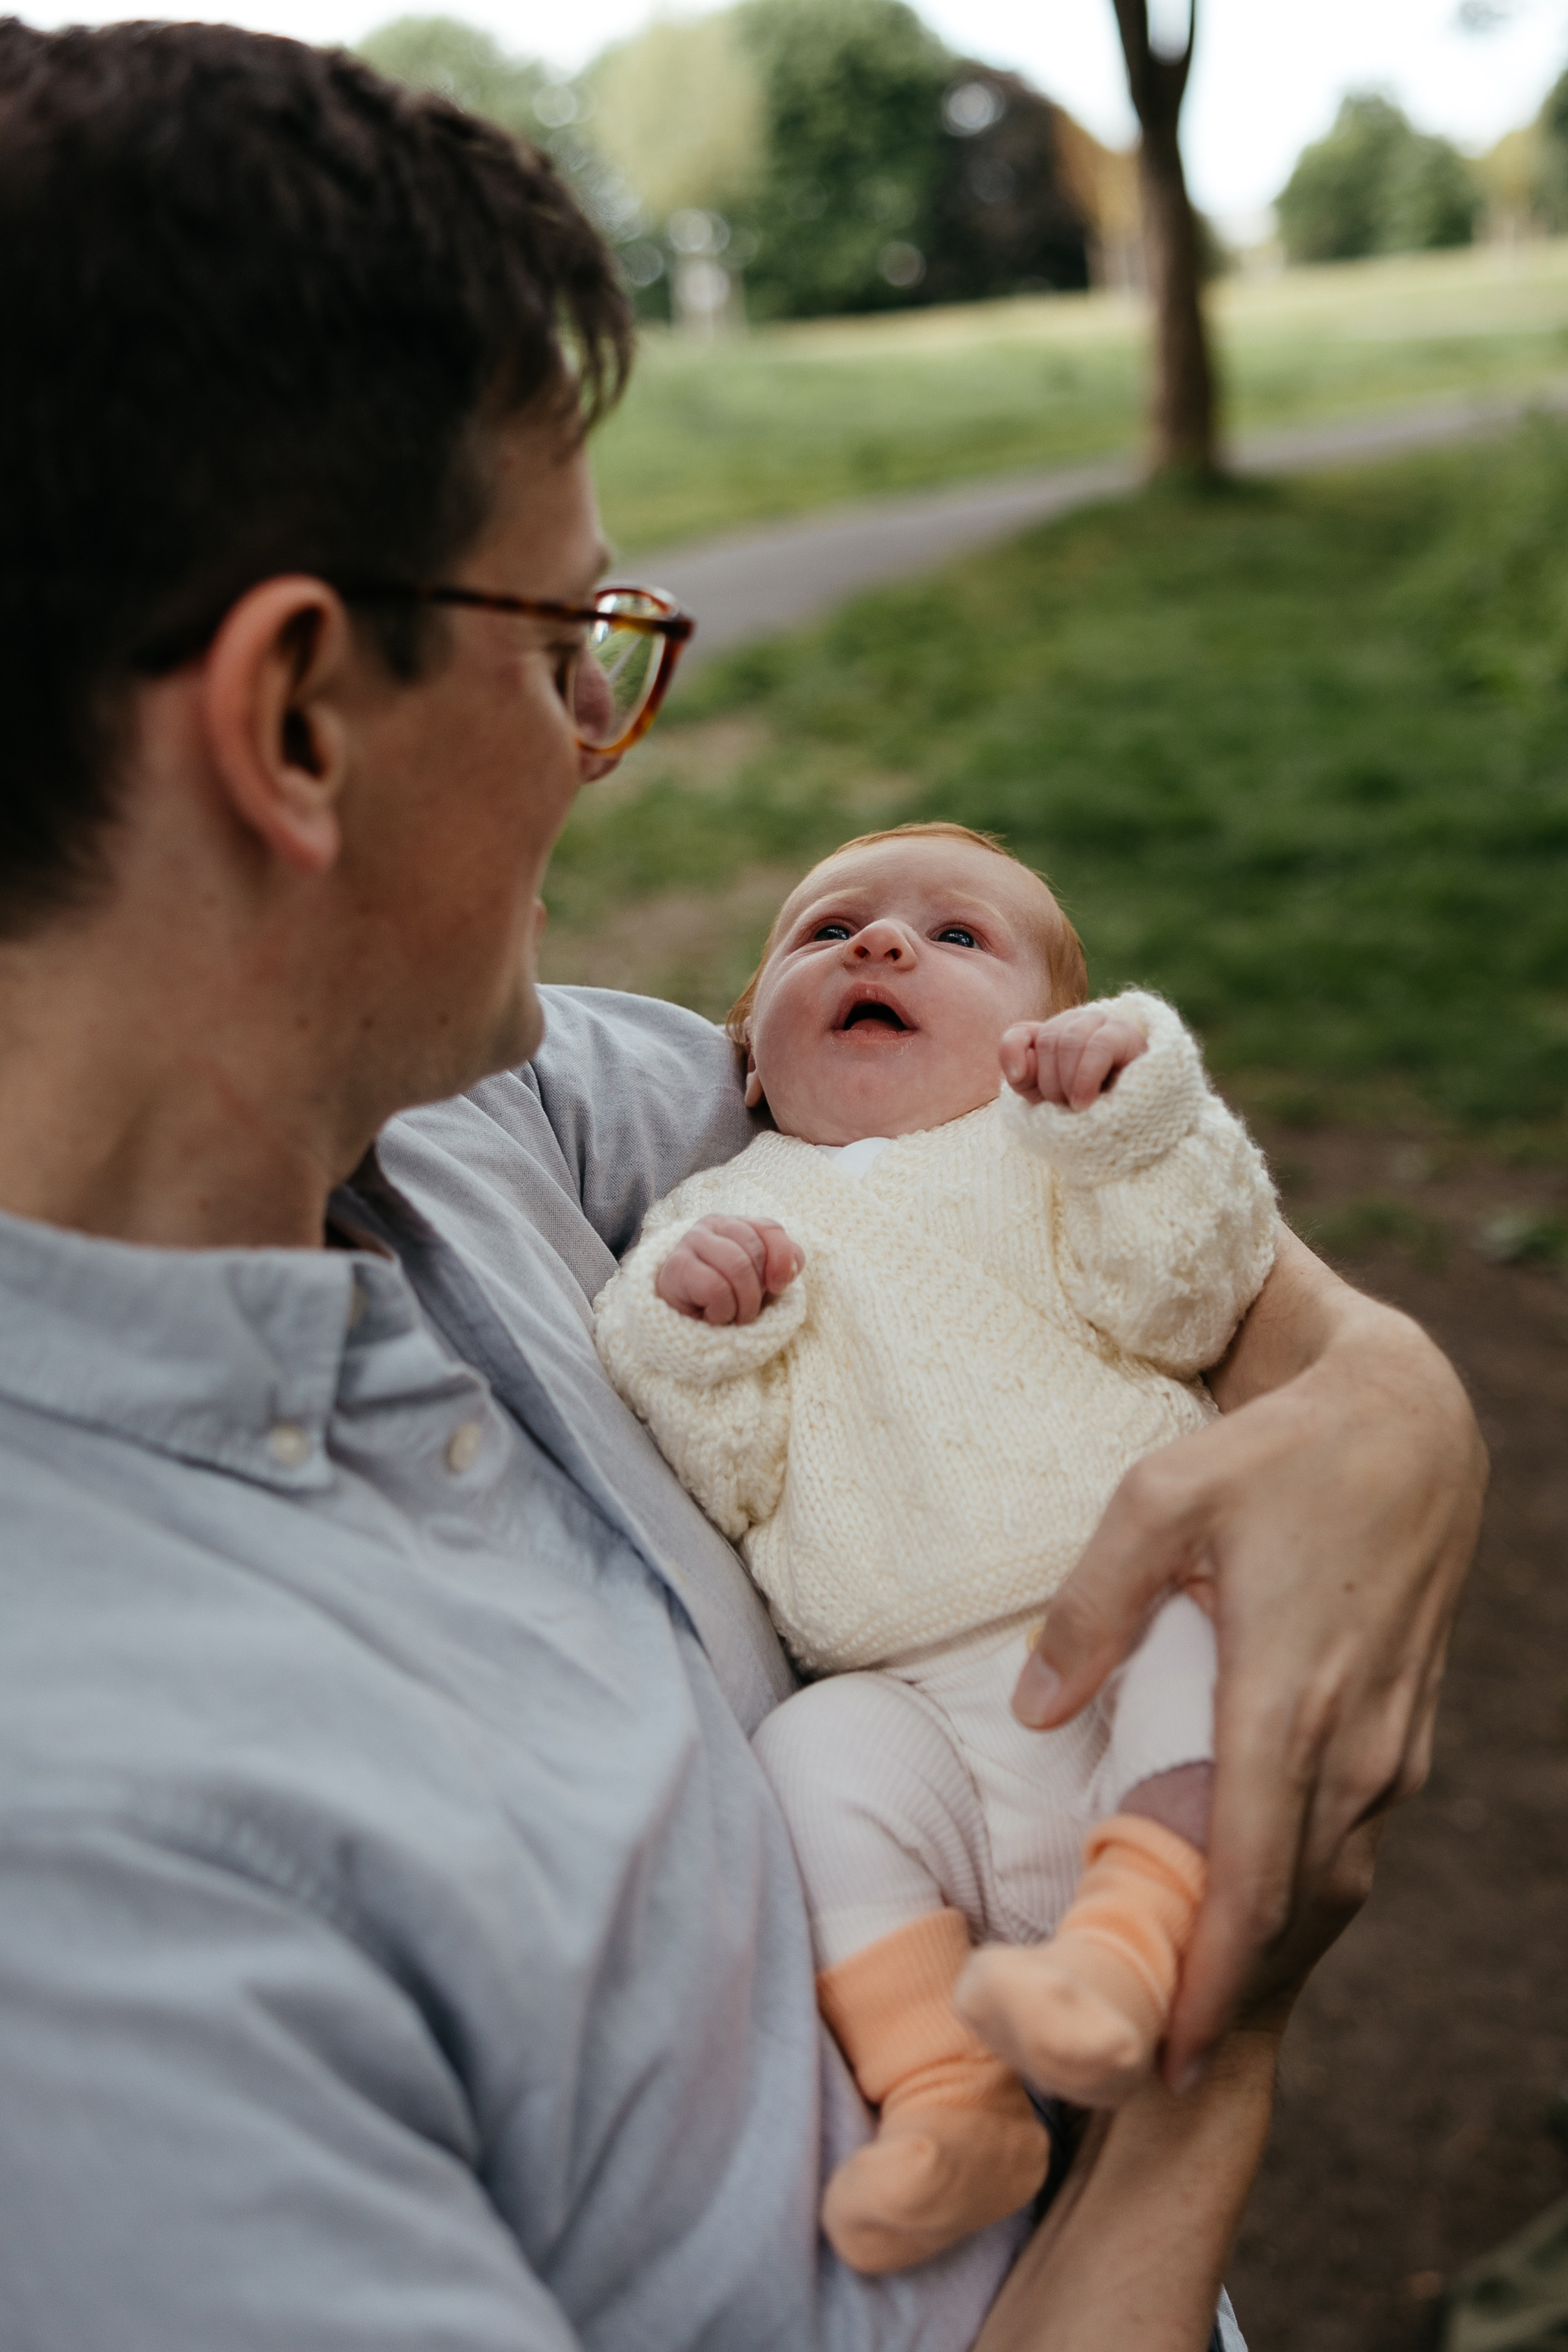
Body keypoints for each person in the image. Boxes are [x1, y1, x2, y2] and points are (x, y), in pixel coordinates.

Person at [0, 20, 1483, 2352]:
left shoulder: (455, 1120)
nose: (598, 747)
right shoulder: (97, 1932)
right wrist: (1226, 2047)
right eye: (570, 647)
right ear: (296, 722)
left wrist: (1390, 1404)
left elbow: (953, 1133)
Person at [594, 825, 1278, 2274]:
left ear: (1043, 1037)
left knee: (1206, 1618)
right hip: (917, 1713)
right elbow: (731, 1474)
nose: (882, 942)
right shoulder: (716, 1214)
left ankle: (1125, 1944)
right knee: (810, 1750)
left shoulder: (1050, 1159)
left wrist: (1131, 1120)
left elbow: (1189, 1289)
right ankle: (945, 2092)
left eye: (957, 937)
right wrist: (695, 1330)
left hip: (1124, 1636)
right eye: (825, 929)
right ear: (749, 1055)